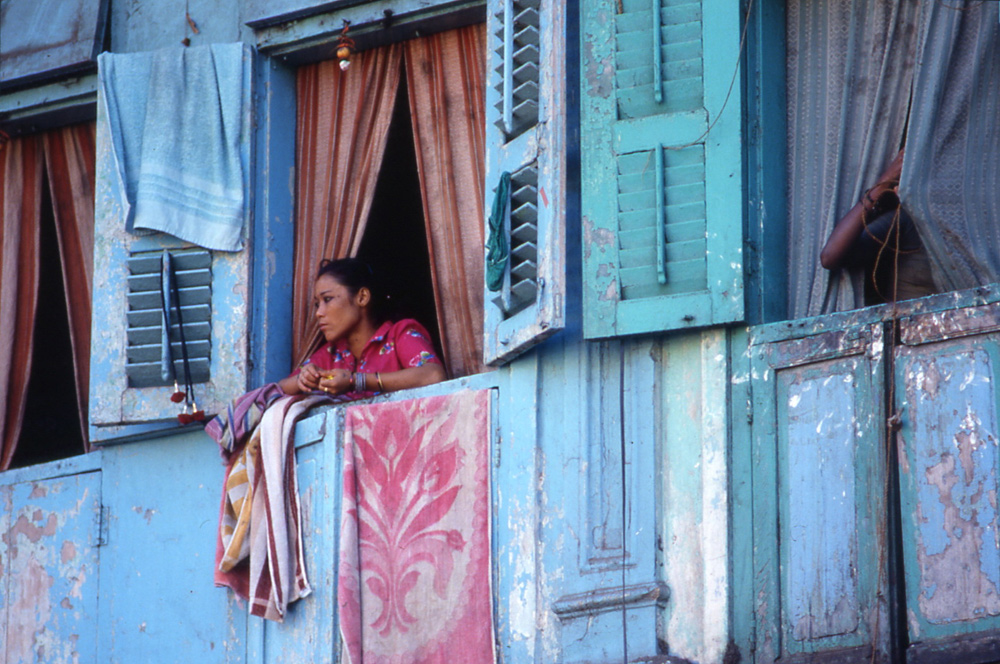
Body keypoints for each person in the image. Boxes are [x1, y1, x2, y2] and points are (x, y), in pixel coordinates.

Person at [278, 258, 446, 399]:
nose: (319, 313)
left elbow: (433, 375)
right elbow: (279, 390)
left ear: (362, 297)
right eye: (317, 304)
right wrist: (304, 378)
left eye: (327, 299)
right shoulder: (332, 353)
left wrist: (355, 381)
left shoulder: (399, 335)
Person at [820, 148, 938, 304]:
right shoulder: (907, 220)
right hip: (907, 324)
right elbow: (830, 257)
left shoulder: (970, 225)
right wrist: (883, 184)